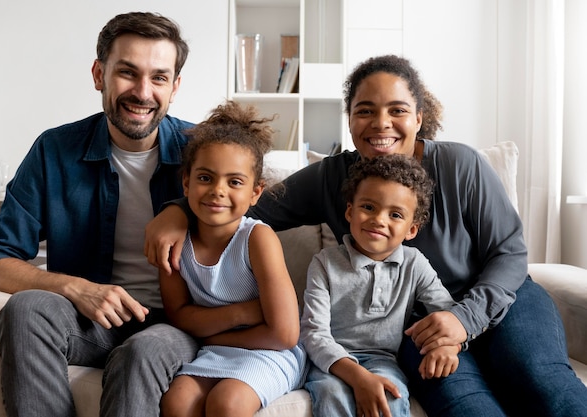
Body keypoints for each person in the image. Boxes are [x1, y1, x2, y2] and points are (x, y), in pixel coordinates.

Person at [145, 54, 587, 417]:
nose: (381, 123)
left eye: (397, 110)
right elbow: (241, 204)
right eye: (365, 110)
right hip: (413, 325)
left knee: (542, 382)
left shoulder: (460, 165)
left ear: (419, 117)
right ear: (350, 119)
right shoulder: (331, 178)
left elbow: (510, 253)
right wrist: (176, 212)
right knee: (465, 405)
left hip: (500, 301)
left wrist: (462, 319)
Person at [0, 12, 199, 417]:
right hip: (89, 319)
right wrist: (76, 288)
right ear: (99, 74)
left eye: (159, 78)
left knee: (142, 352)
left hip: (176, 326)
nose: (143, 92)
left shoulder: (202, 153)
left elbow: (256, 220)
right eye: (127, 73)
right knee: (26, 309)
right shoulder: (54, 150)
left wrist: (182, 208)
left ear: (175, 87)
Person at [159, 100, 307, 417]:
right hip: (216, 349)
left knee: (227, 403)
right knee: (177, 402)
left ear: (255, 193)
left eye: (235, 181)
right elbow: (179, 316)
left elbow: (284, 334)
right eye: (205, 178)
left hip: (271, 352)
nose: (218, 190)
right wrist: (242, 313)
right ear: (186, 182)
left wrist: (208, 330)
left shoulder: (257, 238)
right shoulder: (173, 241)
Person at [301, 154, 458, 417]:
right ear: (350, 211)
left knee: (391, 396)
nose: (379, 220)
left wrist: (448, 346)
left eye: (395, 214)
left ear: (411, 230)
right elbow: (314, 333)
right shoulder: (325, 262)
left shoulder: (414, 263)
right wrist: (358, 377)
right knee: (331, 395)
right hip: (332, 361)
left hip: (383, 360)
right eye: (369, 207)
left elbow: (446, 312)